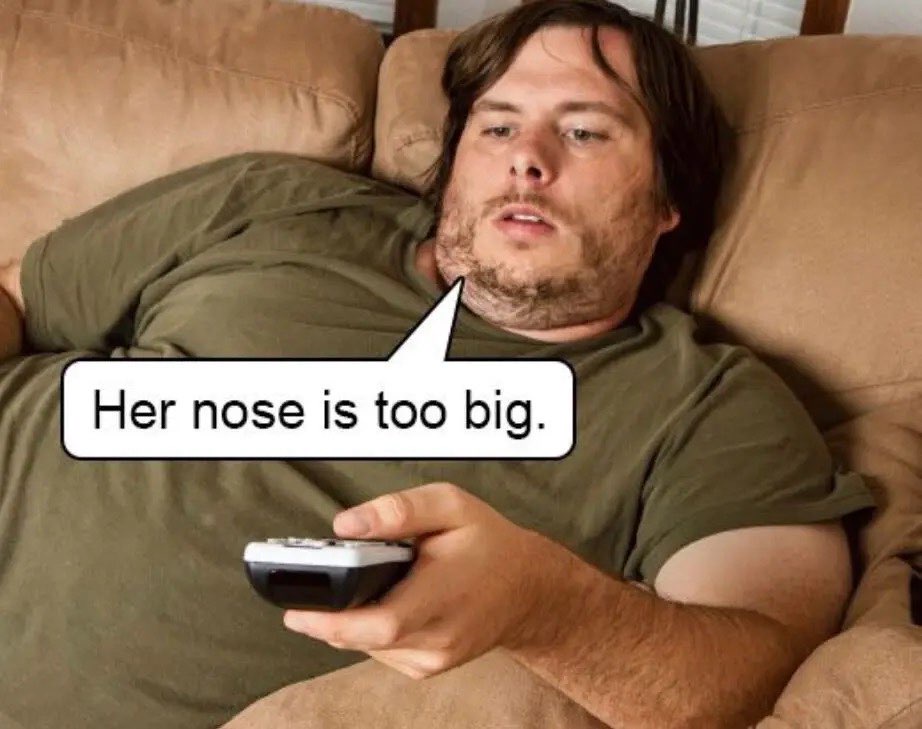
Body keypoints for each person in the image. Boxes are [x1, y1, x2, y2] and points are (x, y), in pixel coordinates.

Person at [0, 1, 874, 728]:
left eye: (584, 130)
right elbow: (20, 299)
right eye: (497, 125)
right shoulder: (270, 201)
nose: (527, 158)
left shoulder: (707, 405)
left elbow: (764, 675)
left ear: (669, 196)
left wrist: (545, 604)